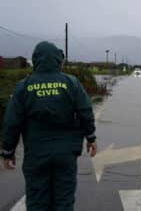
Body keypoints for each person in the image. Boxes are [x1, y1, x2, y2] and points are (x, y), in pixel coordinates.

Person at [1, 41, 97, 211]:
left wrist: (8, 151)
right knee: (64, 200)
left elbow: (12, 122)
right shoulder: (71, 83)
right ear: (58, 60)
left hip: (36, 154)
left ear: (36, 60)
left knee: (37, 201)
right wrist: (91, 137)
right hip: (66, 154)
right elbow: (85, 111)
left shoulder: (23, 87)